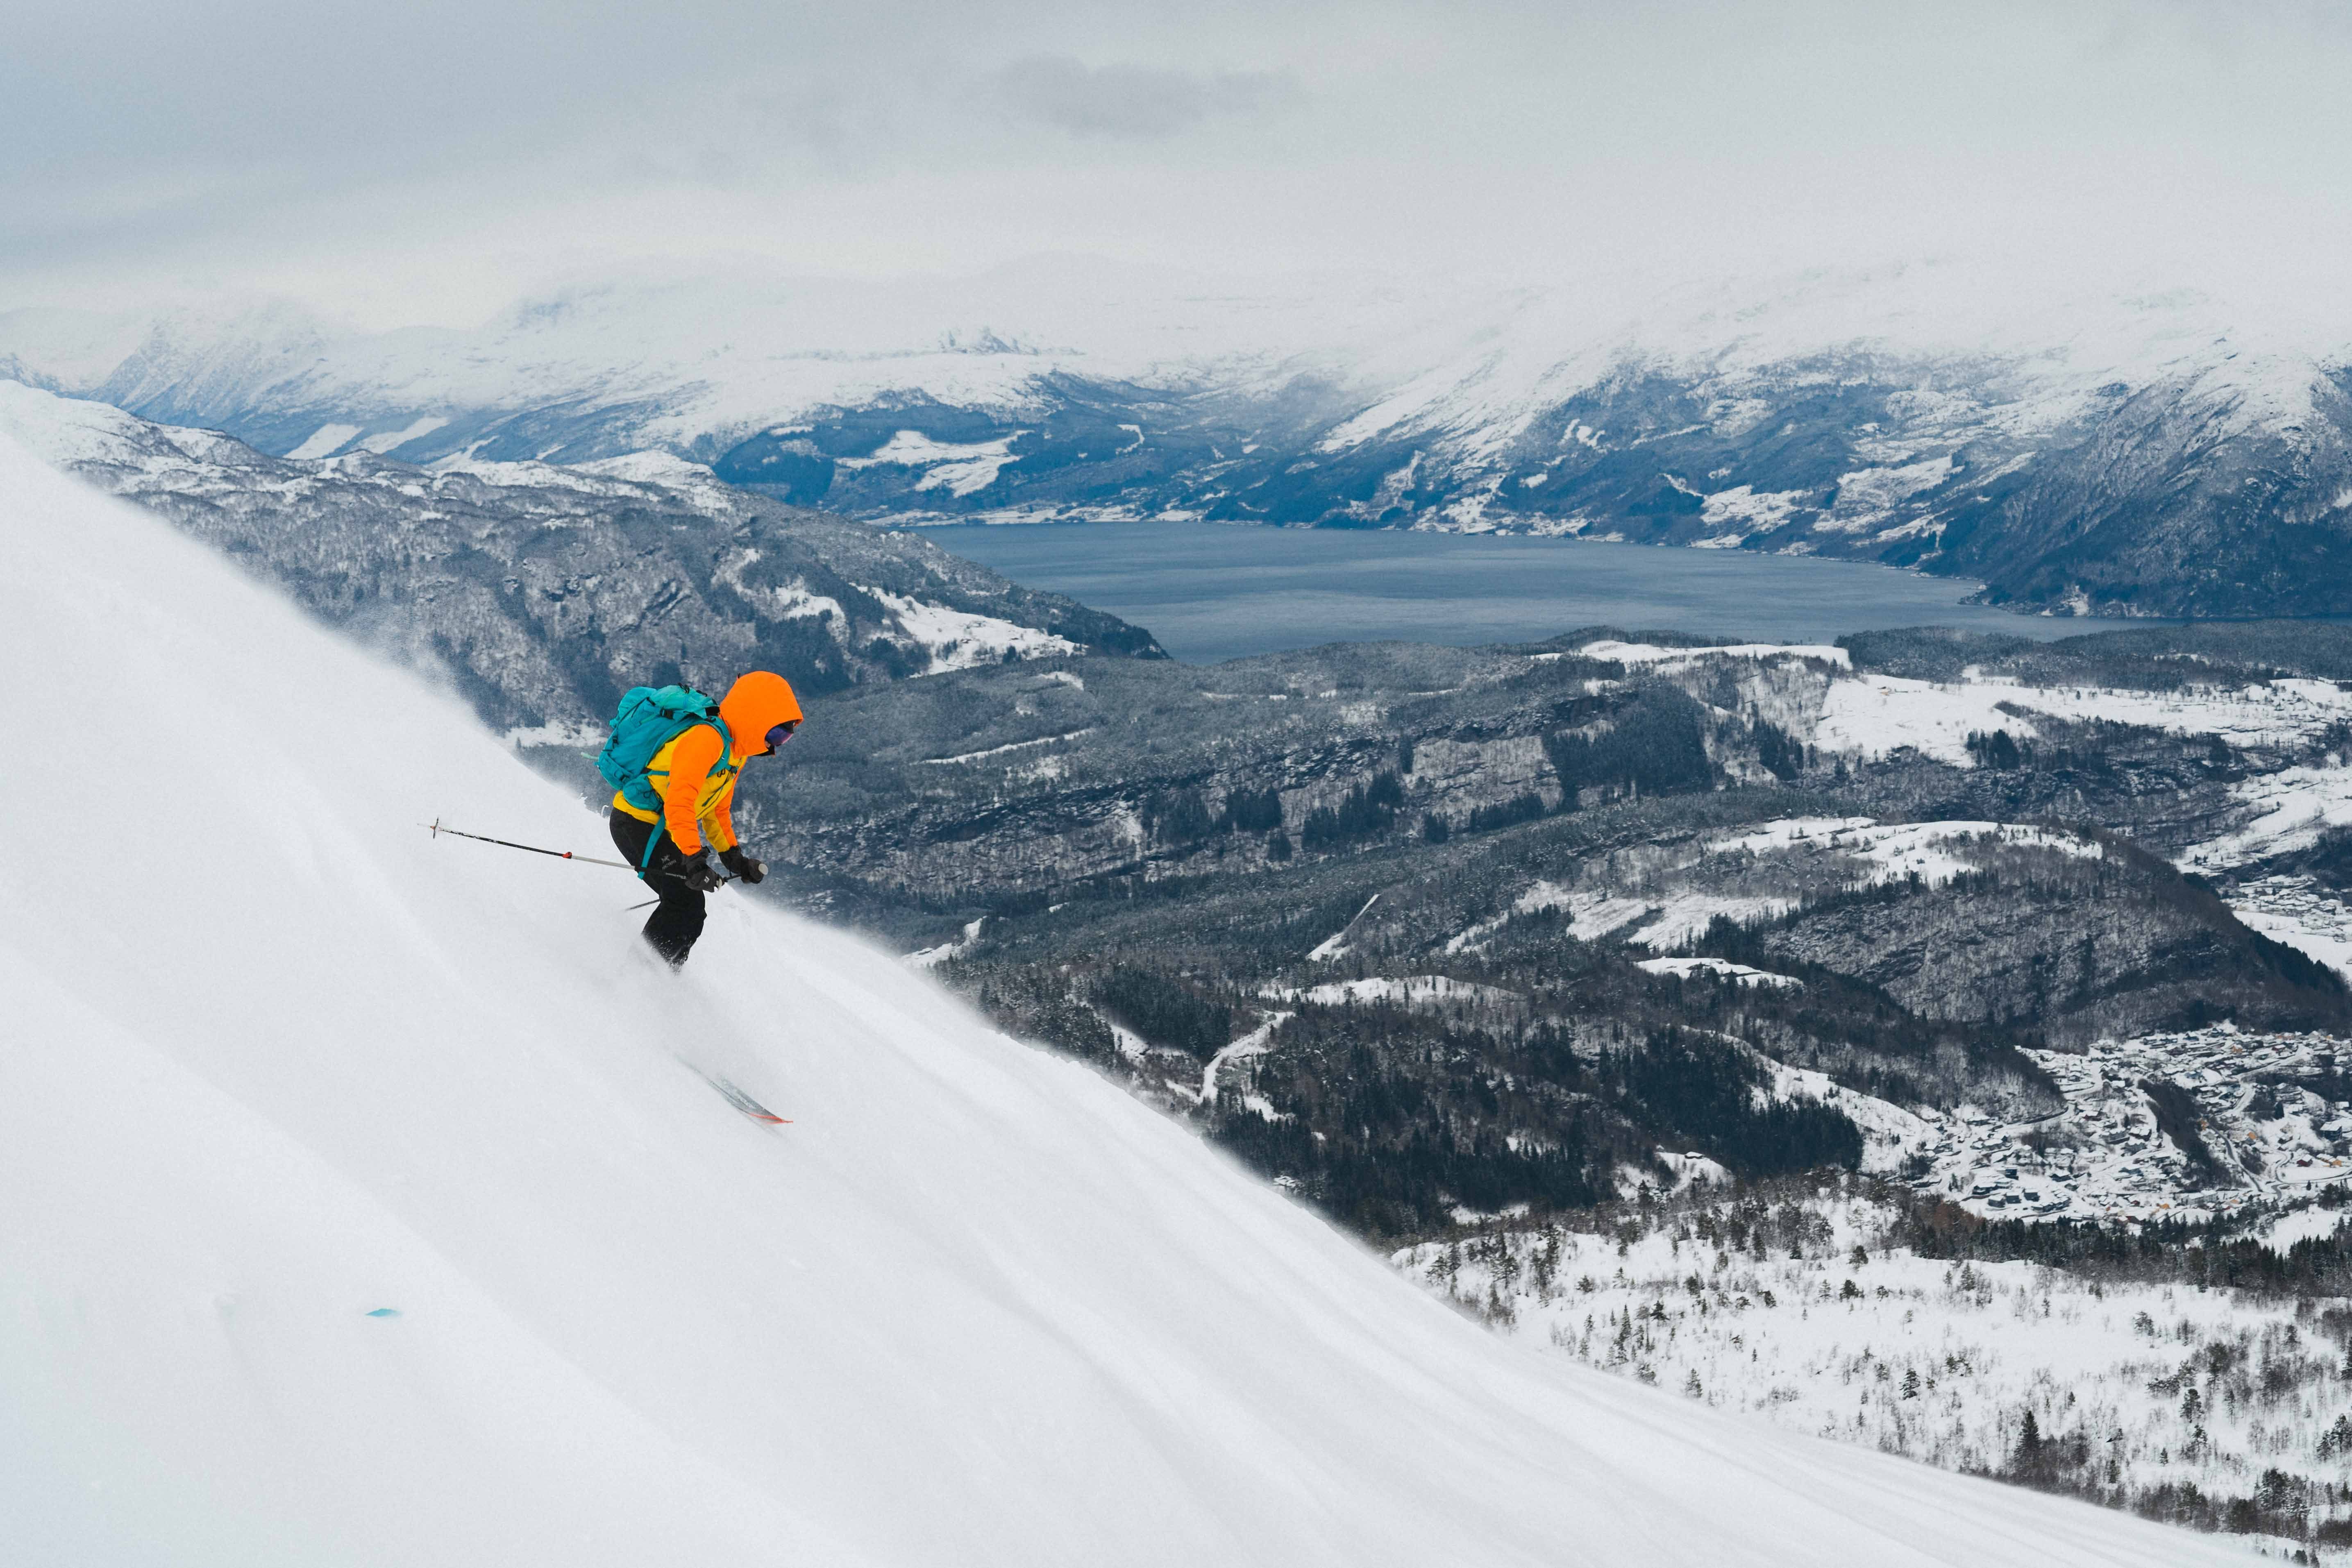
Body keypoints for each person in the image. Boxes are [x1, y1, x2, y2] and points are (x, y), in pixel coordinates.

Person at [607, 670, 803, 966]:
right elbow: (679, 801)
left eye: (784, 738)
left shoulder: (735, 751)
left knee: (690, 909)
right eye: (776, 734)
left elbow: (716, 809)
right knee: (686, 903)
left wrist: (734, 858)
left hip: (661, 828)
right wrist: (693, 858)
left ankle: (662, 979)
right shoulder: (706, 739)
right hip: (635, 823)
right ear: (755, 717)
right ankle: (637, 978)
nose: (774, 745)